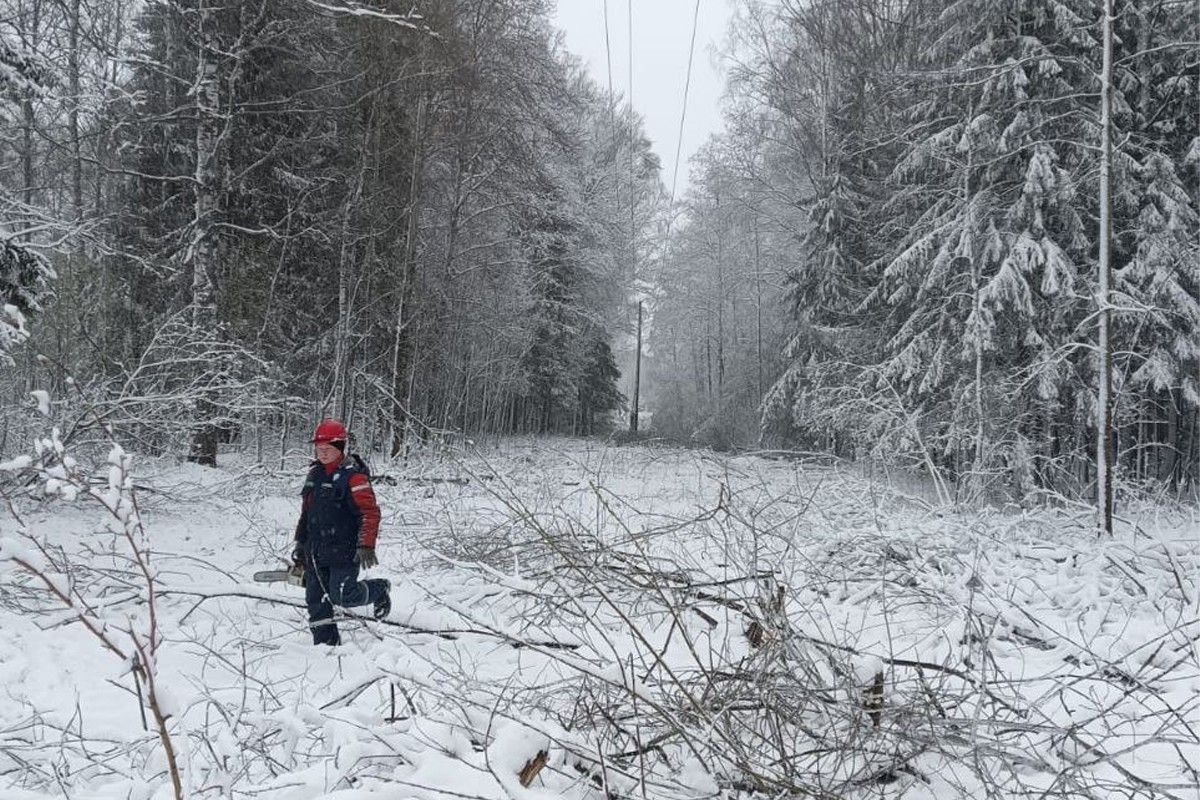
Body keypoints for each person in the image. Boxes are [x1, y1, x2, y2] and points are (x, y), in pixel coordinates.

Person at [292, 419, 391, 646]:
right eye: (319, 448)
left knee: (343, 595)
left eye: (328, 448)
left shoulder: (354, 477)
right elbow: (307, 513)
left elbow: (369, 513)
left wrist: (366, 545)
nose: (323, 453)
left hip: (344, 551)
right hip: (315, 550)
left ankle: (379, 589)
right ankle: (326, 645)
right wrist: (300, 542)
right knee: (316, 601)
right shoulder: (314, 474)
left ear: (340, 447)